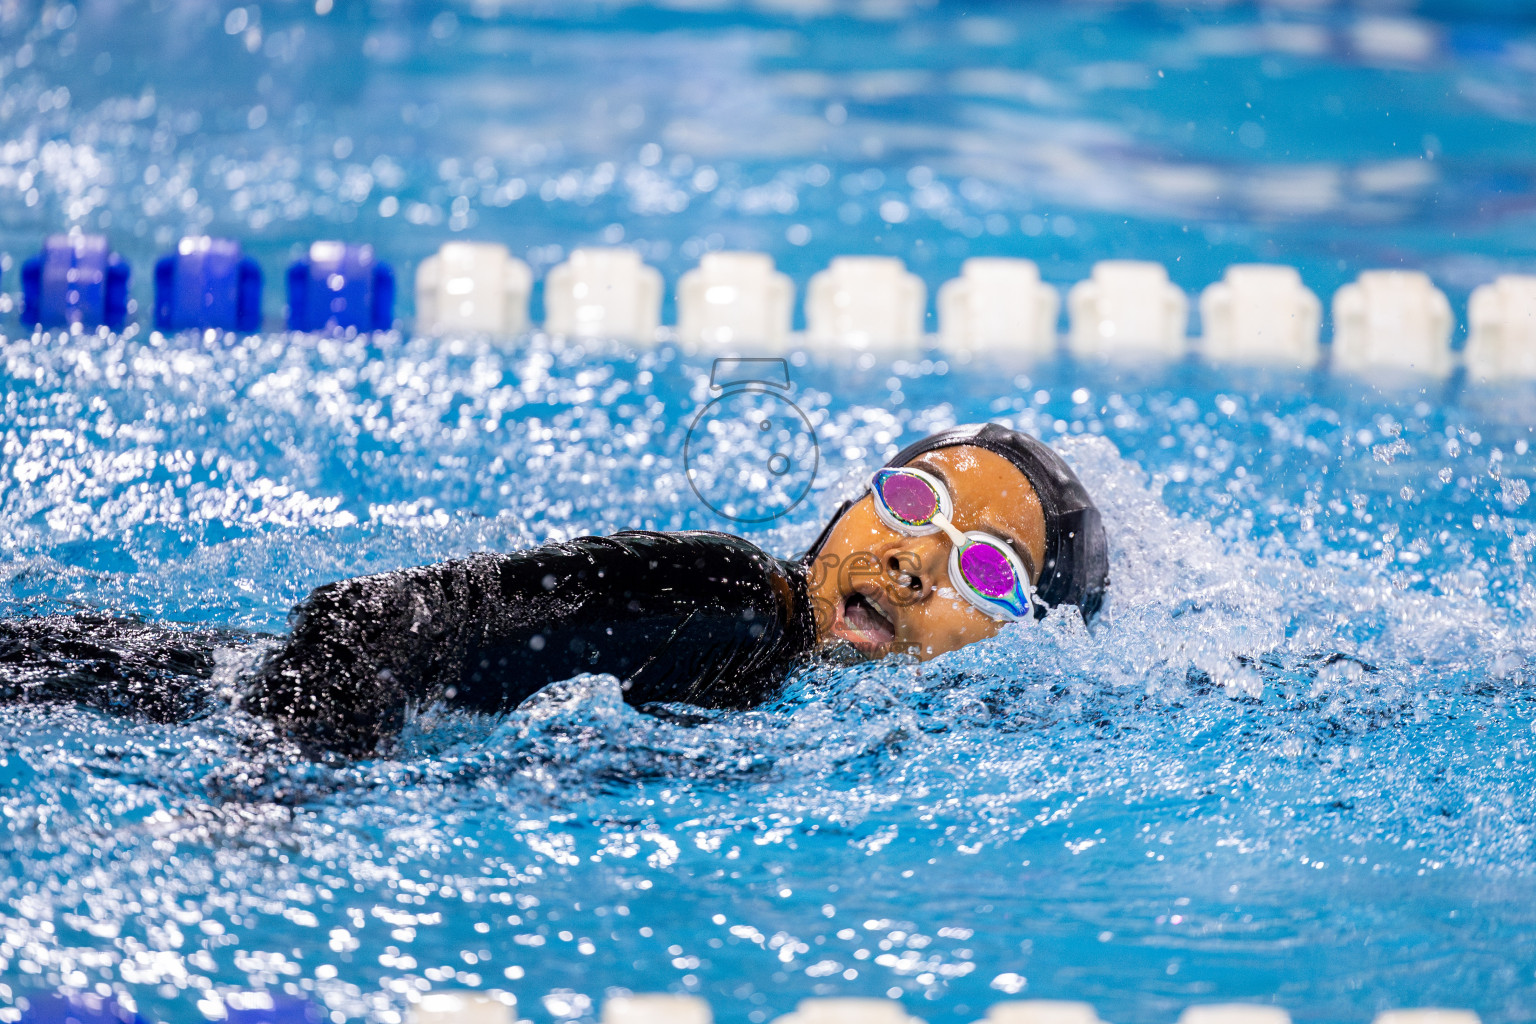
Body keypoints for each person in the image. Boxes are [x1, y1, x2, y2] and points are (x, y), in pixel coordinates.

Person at [0, 423, 1108, 758]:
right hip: (149, 708)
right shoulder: (735, 601)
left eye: (986, 567)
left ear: (1025, 640)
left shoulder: (803, 698)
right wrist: (272, 797)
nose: (917, 557)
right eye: (913, 503)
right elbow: (372, 624)